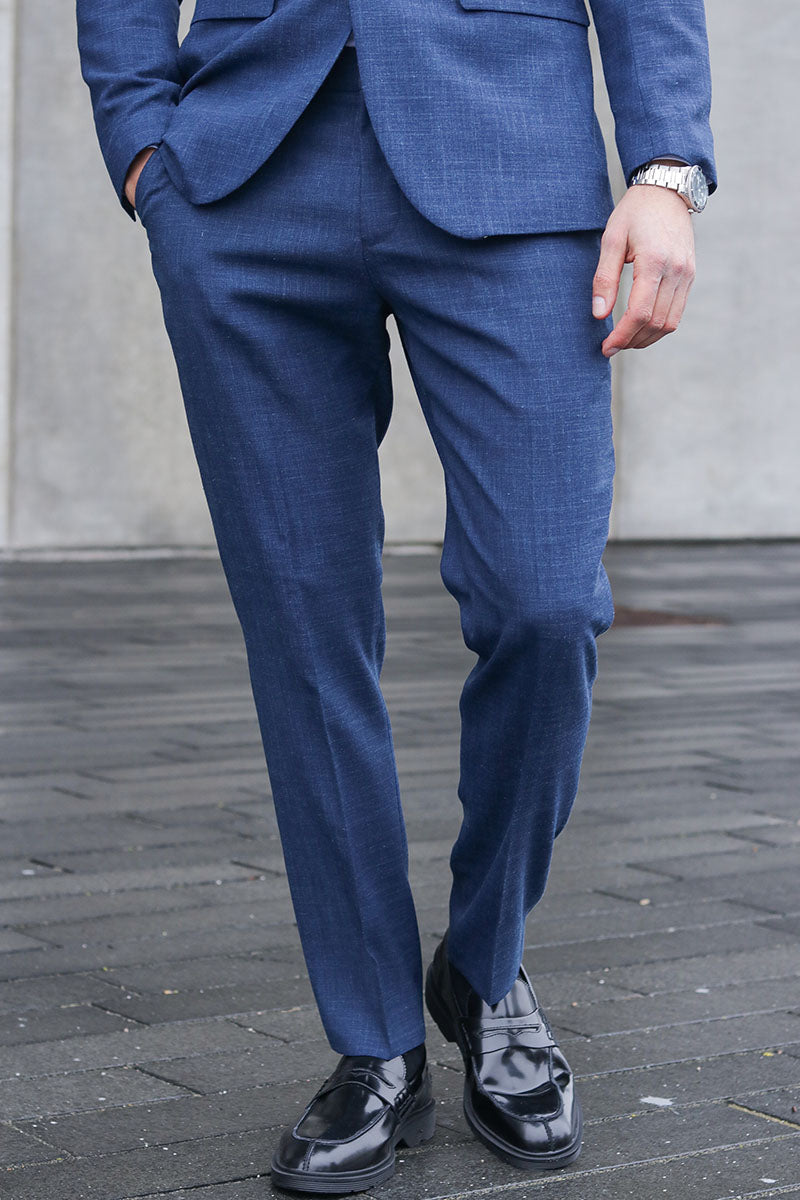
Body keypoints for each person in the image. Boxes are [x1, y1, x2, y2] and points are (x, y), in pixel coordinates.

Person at [76, 0, 715, 1191]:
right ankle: (373, 1039)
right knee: (302, 624)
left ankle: (482, 965)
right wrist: (141, 145)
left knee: (543, 604)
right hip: (243, 175)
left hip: (512, 160)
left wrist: (664, 168)